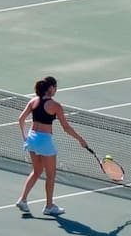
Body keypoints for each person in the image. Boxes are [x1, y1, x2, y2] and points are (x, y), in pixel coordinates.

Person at [16, 76, 89, 216]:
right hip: (44, 141)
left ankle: (23, 199)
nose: (56, 90)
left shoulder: (33, 101)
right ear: (50, 88)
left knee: (37, 171)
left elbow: (21, 119)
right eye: (55, 87)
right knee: (51, 175)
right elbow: (66, 127)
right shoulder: (55, 106)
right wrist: (80, 139)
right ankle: (49, 206)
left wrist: (25, 137)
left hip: (31, 138)